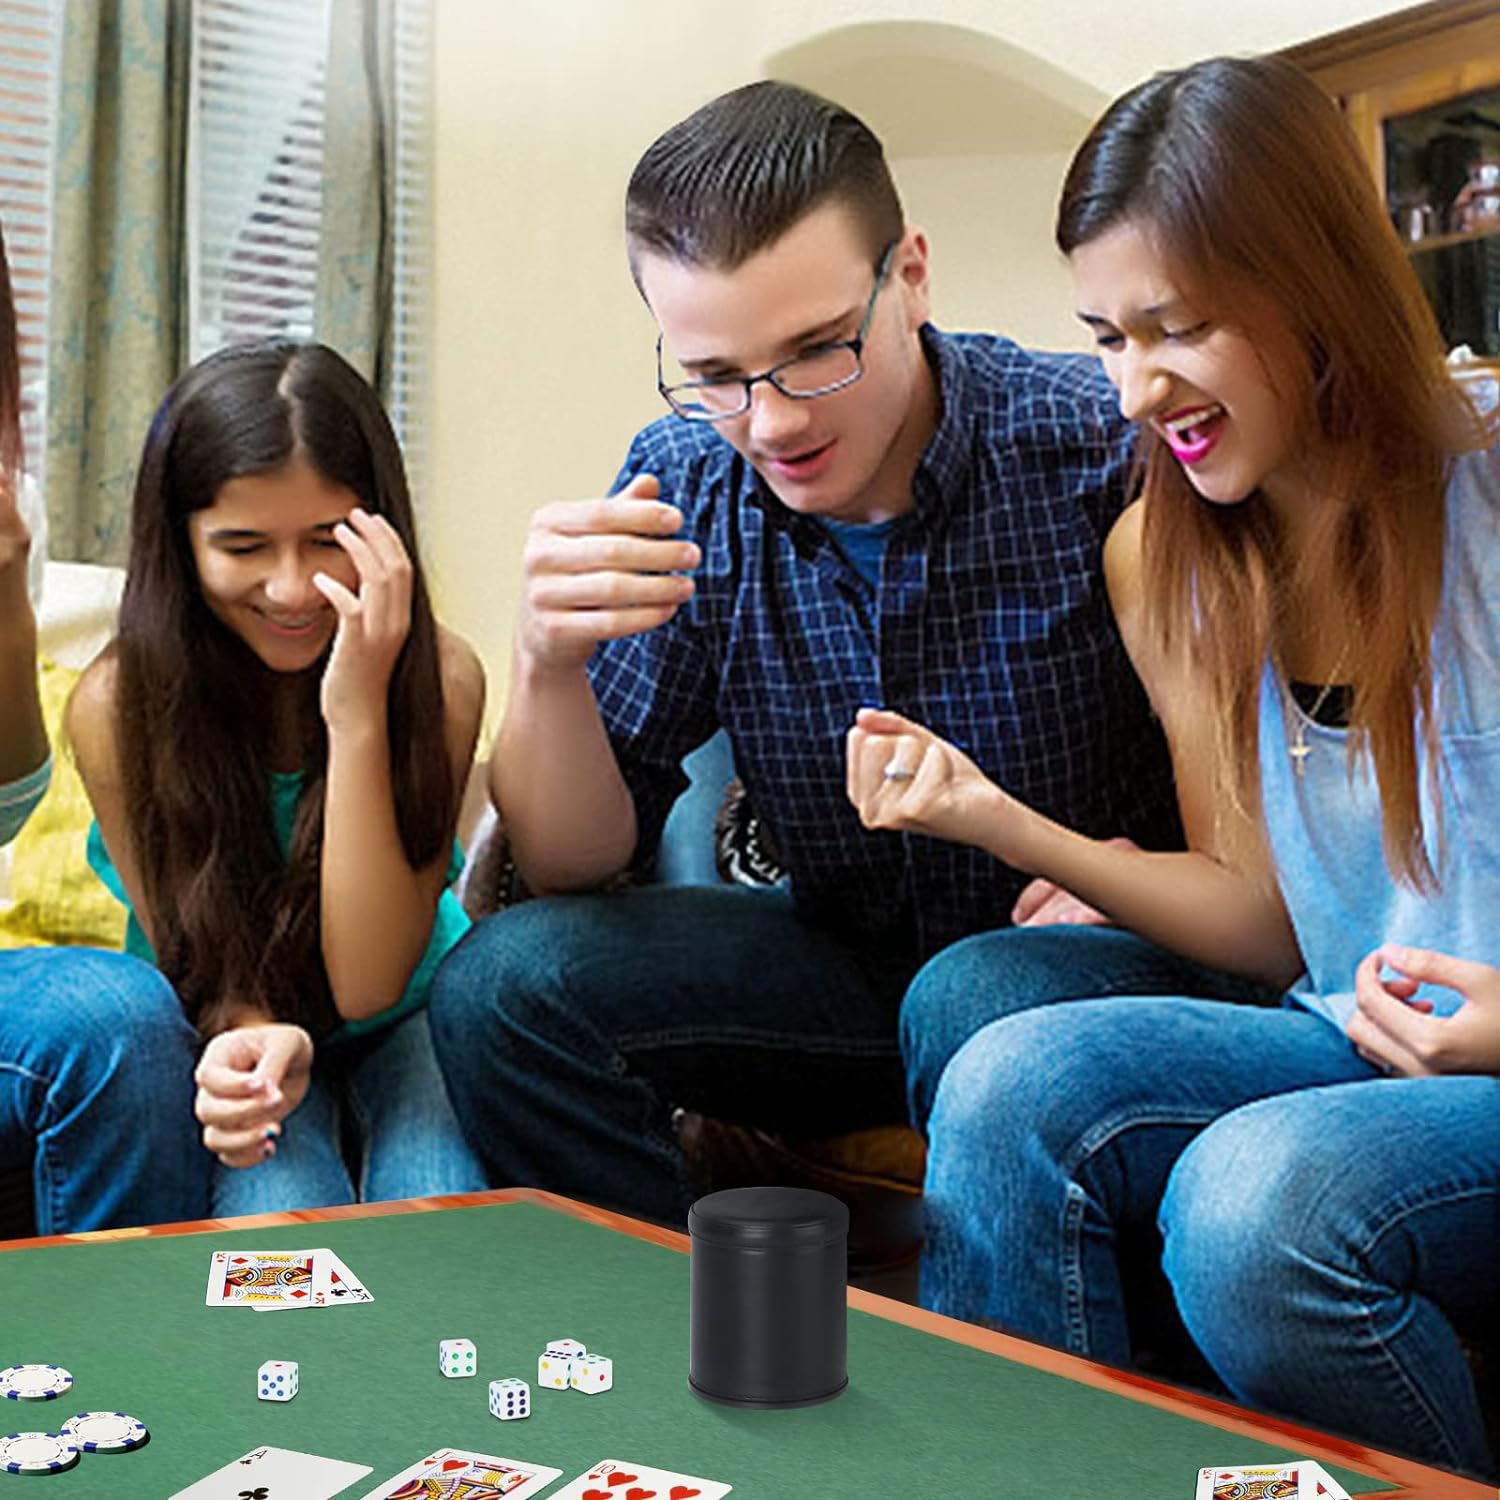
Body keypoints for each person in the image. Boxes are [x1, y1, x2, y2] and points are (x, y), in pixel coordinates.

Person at [857, 55, 1500, 1478]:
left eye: (1181, 327)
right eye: (1106, 336)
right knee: (1005, 1076)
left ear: (1315, 285)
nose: (1139, 389)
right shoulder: (1169, 559)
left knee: (1249, 1203)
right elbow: (1267, 920)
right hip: (1350, 1032)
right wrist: (999, 819)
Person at [429, 79, 1220, 1230]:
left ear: (911, 277)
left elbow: (1265, 844)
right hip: (843, 969)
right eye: (715, 376)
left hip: (1098, 960)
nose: (775, 421)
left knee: (976, 993)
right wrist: (545, 660)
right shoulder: (685, 480)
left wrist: (1132, 877)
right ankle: (668, 1323)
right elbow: (569, 864)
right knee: (504, 986)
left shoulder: (1102, 450)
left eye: (816, 351)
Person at [68, 339, 487, 1216]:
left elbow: (370, 983)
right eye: (243, 545)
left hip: (407, 1008)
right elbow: (194, 956)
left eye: (330, 541)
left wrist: (358, 711)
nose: (293, 589)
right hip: (231, 1018)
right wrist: (253, 1037)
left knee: (439, 1204)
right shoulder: (116, 708)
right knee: (280, 1233)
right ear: (181, 545)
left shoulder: (441, 680)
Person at [0, 218, 209, 1234]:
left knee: (118, 1015)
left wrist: (6, 588)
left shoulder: (15, 508)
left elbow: (7, 809)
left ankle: (135, 1336)